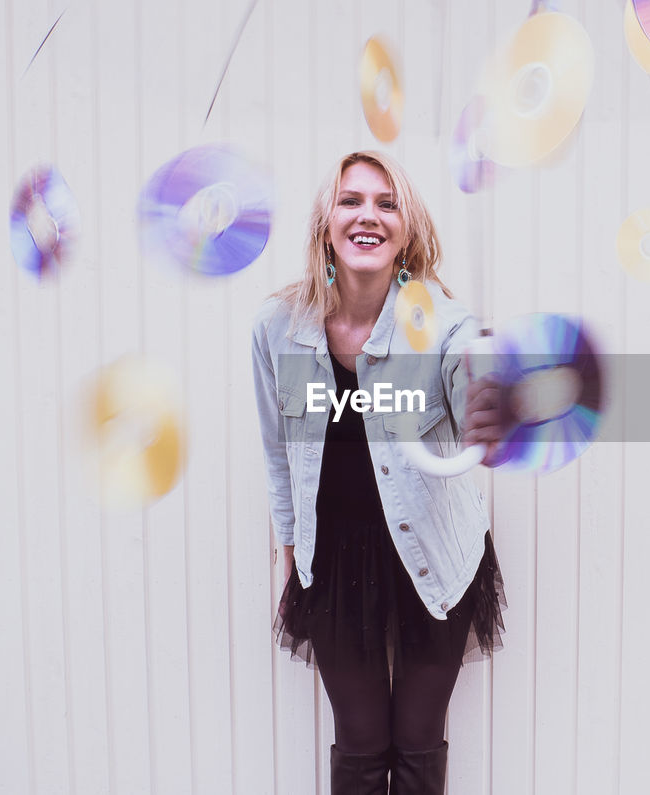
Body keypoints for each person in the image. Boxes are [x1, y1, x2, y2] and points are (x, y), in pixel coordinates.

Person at [251, 151, 507, 794]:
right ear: (324, 226)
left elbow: (477, 414)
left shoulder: (444, 325)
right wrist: (290, 553)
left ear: (408, 232)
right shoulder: (277, 329)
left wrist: (490, 406)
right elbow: (279, 454)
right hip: (335, 563)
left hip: (433, 550)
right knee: (362, 748)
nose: (369, 215)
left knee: (419, 744)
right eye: (351, 200)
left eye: (387, 203)